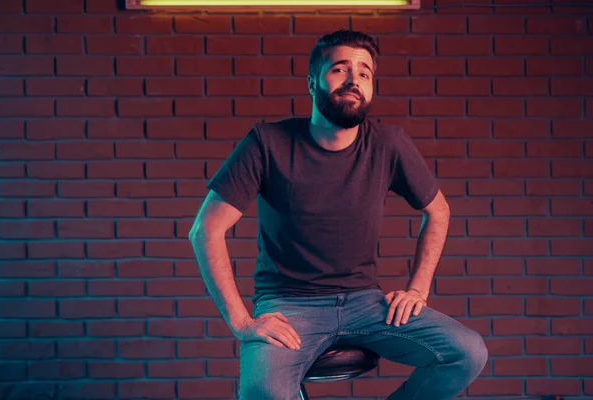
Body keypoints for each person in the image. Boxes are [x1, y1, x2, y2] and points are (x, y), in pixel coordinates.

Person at [190, 29, 488, 400]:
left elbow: (438, 212)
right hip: (289, 303)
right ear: (312, 80)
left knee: (467, 353)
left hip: (365, 302)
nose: (353, 80)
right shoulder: (267, 143)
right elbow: (206, 229)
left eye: (365, 73)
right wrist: (240, 321)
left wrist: (418, 289)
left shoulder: (388, 143)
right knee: (260, 391)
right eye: (340, 69)